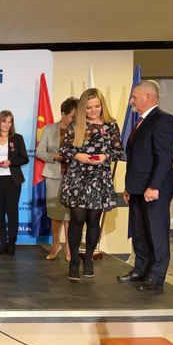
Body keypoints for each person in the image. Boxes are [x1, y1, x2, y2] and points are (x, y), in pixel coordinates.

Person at [117, 80, 173, 291]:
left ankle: (156, 276)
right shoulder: (141, 122)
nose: (131, 101)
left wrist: (154, 186)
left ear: (148, 97)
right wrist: (129, 186)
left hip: (154, 190)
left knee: (156, 233)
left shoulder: (164, 120)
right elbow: (137, 158)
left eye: (134, 97)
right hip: (137, 188)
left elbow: (164, 158)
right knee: (140, 233)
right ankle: (140, 270)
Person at [59, 88, 123, 281]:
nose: (93, 110)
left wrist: (104, 156)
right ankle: (74, 262)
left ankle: (88, 259)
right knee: (77, 218)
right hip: (77, 177)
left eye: (97, 106)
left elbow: (118, 151)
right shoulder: (75, 124)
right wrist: (79, 156)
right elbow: (64, 150)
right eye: (89, 107)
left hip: (99, 178)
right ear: (82, 108)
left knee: (93, 220)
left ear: (102, 105)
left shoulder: (111, 125)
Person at [36, 97, 78, 261]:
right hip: (54, 176)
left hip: (74, 177)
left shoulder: (80, 130)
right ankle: (56, 245)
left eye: (76, 117)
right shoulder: (49, 129)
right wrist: (54, 157)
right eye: (72, 116)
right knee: (55, 213)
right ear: (63, 113)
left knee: (70, 214)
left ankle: (69, 247)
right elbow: (39, 152)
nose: (74, 120)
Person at [0, 110, 29, 256]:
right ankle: (2, 242)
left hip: (13, 180)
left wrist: (10, 162)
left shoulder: (17, 138)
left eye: (10, 121)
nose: (7, 124)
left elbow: (24, 158)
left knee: (12, 211)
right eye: (4, 121)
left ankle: (12, 242)